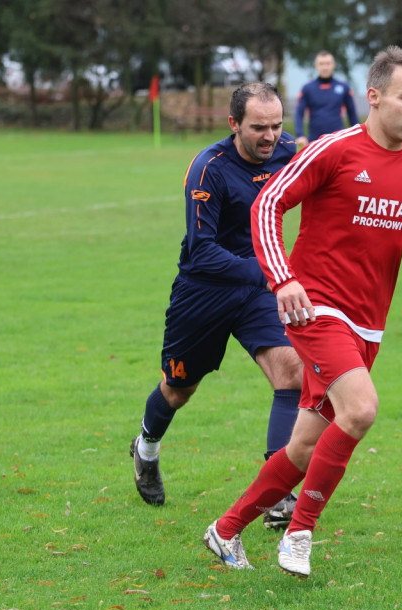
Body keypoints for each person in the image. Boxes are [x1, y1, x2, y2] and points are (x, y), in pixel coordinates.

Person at [203, 46, 402, 577]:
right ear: (375, 96)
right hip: (316, 308)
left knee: (304, 444)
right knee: (360, 409)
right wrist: (284, 279)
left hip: (369, 323)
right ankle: (300, 532)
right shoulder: (333, 151)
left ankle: (225, 530)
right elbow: (268, 204)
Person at [128, 82, 304, 525]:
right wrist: (271, 273)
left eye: (276, 126)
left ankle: (277, 492)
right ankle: (146, 447)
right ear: (234, 124)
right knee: (178, 389)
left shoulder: (285, 151)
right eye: (258, 127)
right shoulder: (209, 169)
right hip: (204, 292)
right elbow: (201, 249)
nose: (270, 137)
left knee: (291, 372)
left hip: (259, 292)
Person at [293, 51, 360, 149]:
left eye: (328, 63)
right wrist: (300, 135)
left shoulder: (343, 87)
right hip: (315, 141)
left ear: (333, 65)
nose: (325, 67)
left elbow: (352, 112)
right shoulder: (307, 88)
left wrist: (357, 134)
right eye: (321, 64)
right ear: (316, 65)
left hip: (338, 139)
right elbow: (299, 113)